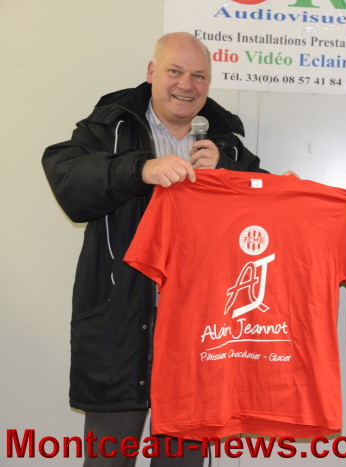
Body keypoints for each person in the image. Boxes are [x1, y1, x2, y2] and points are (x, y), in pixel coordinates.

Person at [42, 32, 267, 466]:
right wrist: (138, 169)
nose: (187, 85)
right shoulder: (111, 126)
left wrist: (230, 171)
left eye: (198, 76)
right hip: (120, 327)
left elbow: (266, 210)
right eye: (175, 71)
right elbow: (67, 176)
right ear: (151, 73)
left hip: (197, 334)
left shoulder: (225, 142)